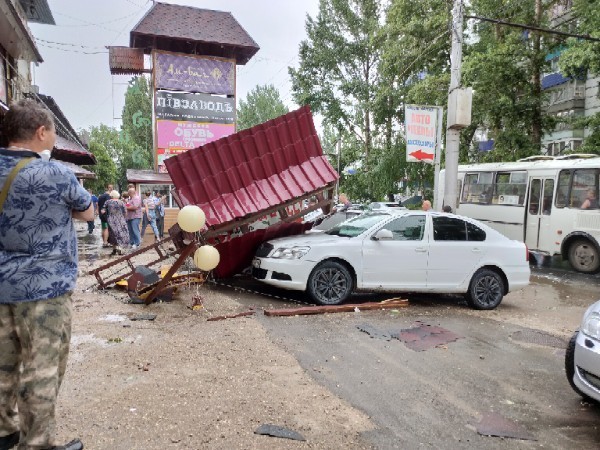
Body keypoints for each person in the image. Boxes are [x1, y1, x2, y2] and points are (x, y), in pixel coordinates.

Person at [0, 99, 91, 450]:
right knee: (40, 370)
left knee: (3, 366)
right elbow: (87, 212)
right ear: (41, 132)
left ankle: (4, 432)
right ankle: (36, 444)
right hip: (43, 288)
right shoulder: (54, 173)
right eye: (53, 133)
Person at [105, 190, 130, 255]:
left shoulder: (108, 202)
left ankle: (114, 249)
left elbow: (103, 210)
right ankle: (119, 248)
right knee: (120, 233)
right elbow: (125, 212)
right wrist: (123, 218)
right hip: (120, 219)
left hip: (111, 220)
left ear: (112, 195)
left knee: (112, 234)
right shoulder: (121, 202)